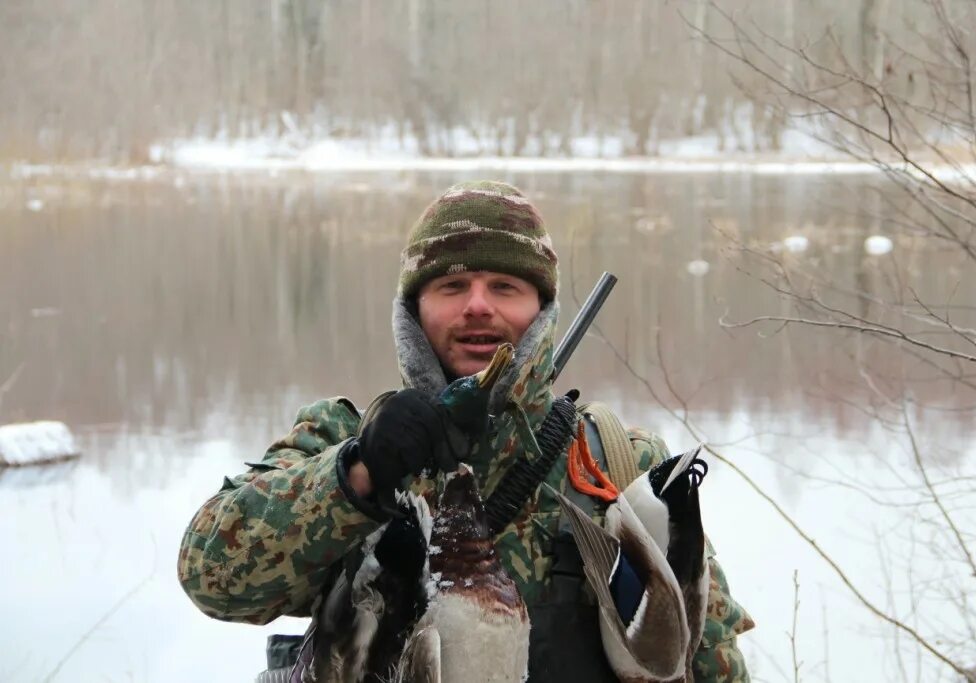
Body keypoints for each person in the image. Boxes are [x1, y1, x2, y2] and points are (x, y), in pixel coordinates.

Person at [177, 180, 754, 681]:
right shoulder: (338, 440)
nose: (478, 307)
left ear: (541, 311)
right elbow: (212, 579)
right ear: (416, 308)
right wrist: (358, 476)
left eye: (505, 287)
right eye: (452, 287)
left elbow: (715, 665)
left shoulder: (615, 467)